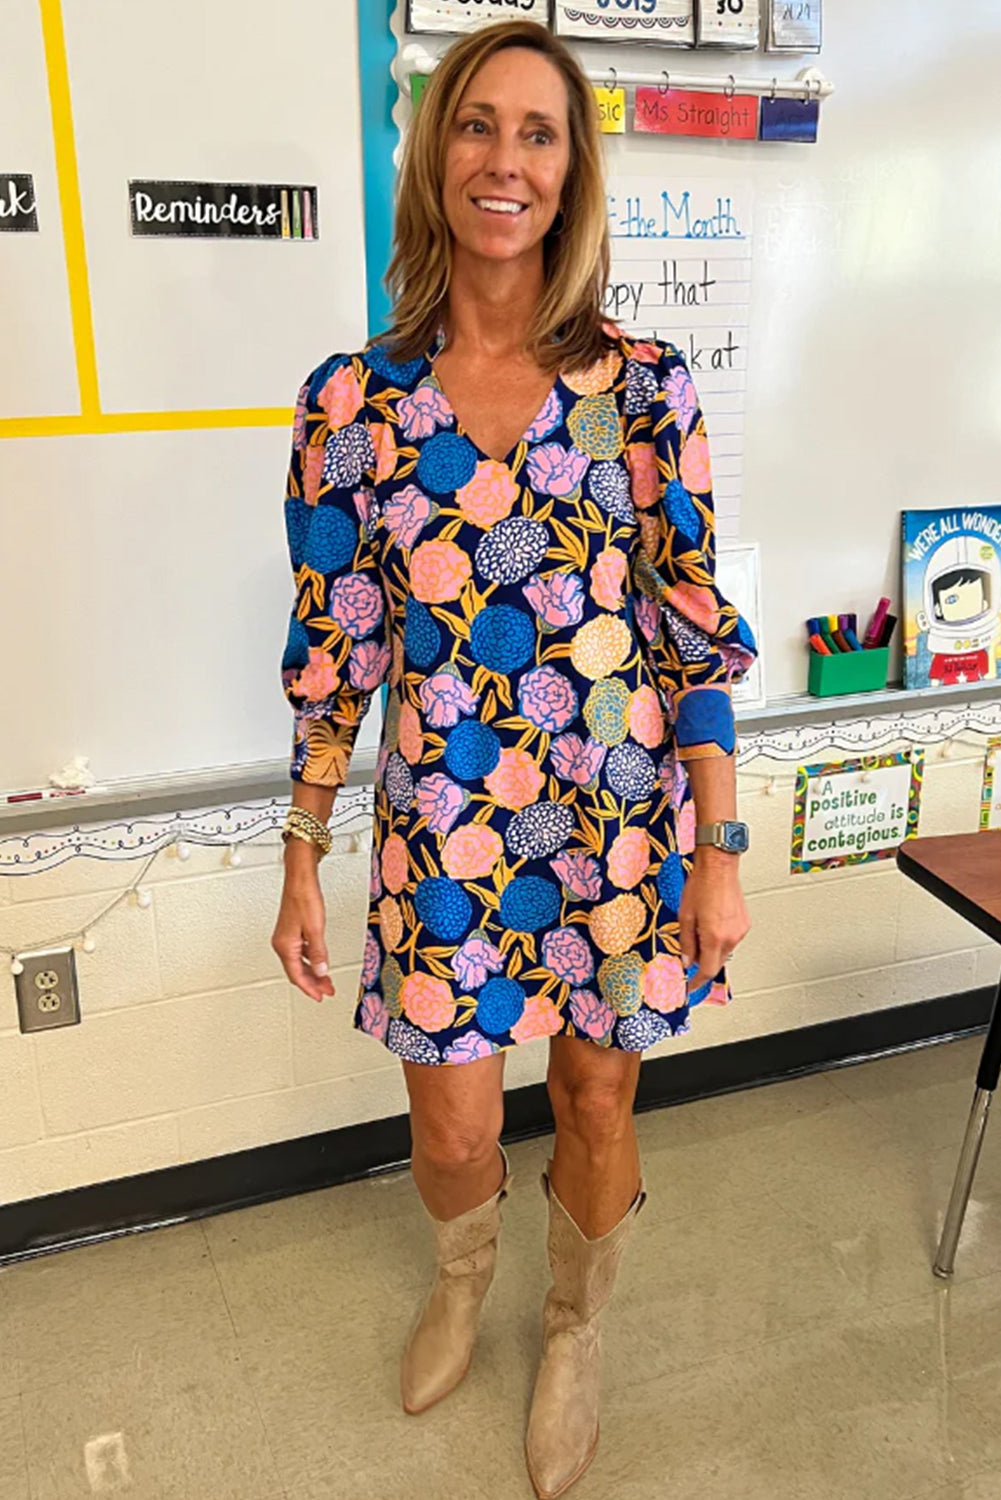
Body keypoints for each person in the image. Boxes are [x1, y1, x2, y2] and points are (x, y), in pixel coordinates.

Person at [271, 18, 758, 1499]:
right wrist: (300, 857)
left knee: (602, 1100)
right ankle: (464, 1271)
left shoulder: (644, 388)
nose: (505, 160)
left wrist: (718, 851)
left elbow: (689, 623)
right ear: (437, 158)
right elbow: (332, 648)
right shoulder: (349, 405)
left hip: (614, 833)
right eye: (478, 126)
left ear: (572, 169)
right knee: (455, 1116)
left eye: (537, 133)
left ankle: (573, 1326)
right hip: (443, 837)